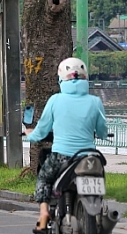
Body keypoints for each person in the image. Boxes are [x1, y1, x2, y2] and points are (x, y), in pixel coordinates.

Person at [25, 57, 107, 234]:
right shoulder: (96, 102)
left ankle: (44, 214)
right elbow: (102, 131)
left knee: (44, 178)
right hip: (89, 158)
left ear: (61, 78)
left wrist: (30, 135)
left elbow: (42, 130)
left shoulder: (55, 100)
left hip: (61, 157)